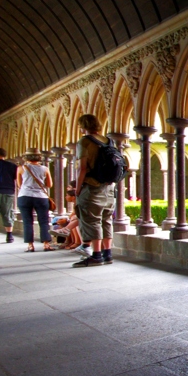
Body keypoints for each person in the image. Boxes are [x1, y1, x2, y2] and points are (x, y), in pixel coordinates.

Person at [72, 114, 117, 267]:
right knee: (106, 219)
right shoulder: (108, 141)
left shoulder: (84, 141)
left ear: (83, 126)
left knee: (92, 220)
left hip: (92, 186)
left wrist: (77, 189)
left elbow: (82, 168)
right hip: (109, 187)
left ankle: (96, 255)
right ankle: (107, 253)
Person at [15, 149, 54, 252]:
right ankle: (46, 244)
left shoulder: (21, 168)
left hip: (25, 196)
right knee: (44, 221)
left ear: (26, 158)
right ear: (39, 157)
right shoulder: (45, 169)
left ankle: (30, 245)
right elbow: (49, 185)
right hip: (41, 197)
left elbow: (19, 185)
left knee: (27, 221)